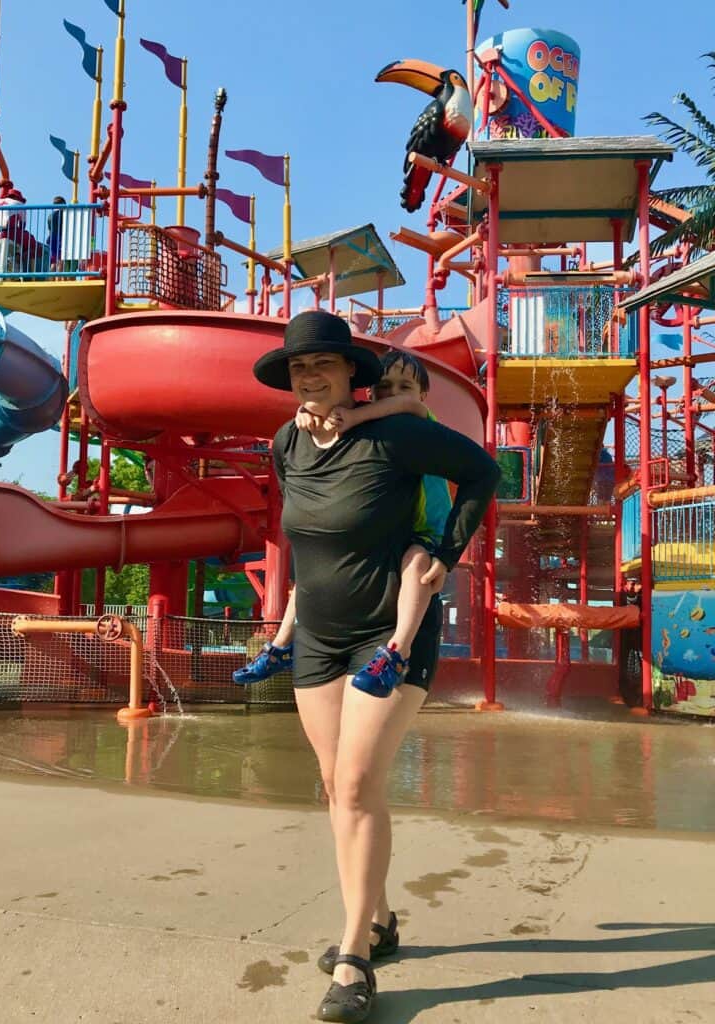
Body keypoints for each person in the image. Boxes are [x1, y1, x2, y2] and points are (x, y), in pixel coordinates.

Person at [250, 310, 499, 1022]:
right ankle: (383, 919)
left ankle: (356, 957)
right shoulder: (286, 445)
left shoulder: (396, 434)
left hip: (387, 637)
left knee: (358, 784)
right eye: (300, 367)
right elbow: (305, 536)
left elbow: (482, 470)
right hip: (319, 641)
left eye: (324, 364)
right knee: (335, 785)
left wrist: (446, 556)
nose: (311, 375)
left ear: (349, 373)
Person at [234, 349, 451, 693]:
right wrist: (307, 410)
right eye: (384, 387)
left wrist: (338, 414)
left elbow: (407, 408)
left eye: (404, 386)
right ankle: (280, 646)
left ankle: (399, 649)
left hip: (424, 529)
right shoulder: (372, 428)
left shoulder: (420, 418)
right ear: (369, 391)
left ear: (423, 395)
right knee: (314, 566)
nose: (393, 394)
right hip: (385, 528)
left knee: (417, 563)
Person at [46, 196, 67, 271]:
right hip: (60, 238)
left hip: (51, 239)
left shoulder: (50, 216)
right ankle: (58, 280)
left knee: (53, 262)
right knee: (60, 260)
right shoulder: (64, 215)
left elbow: (49, 229)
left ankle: (50, 280)